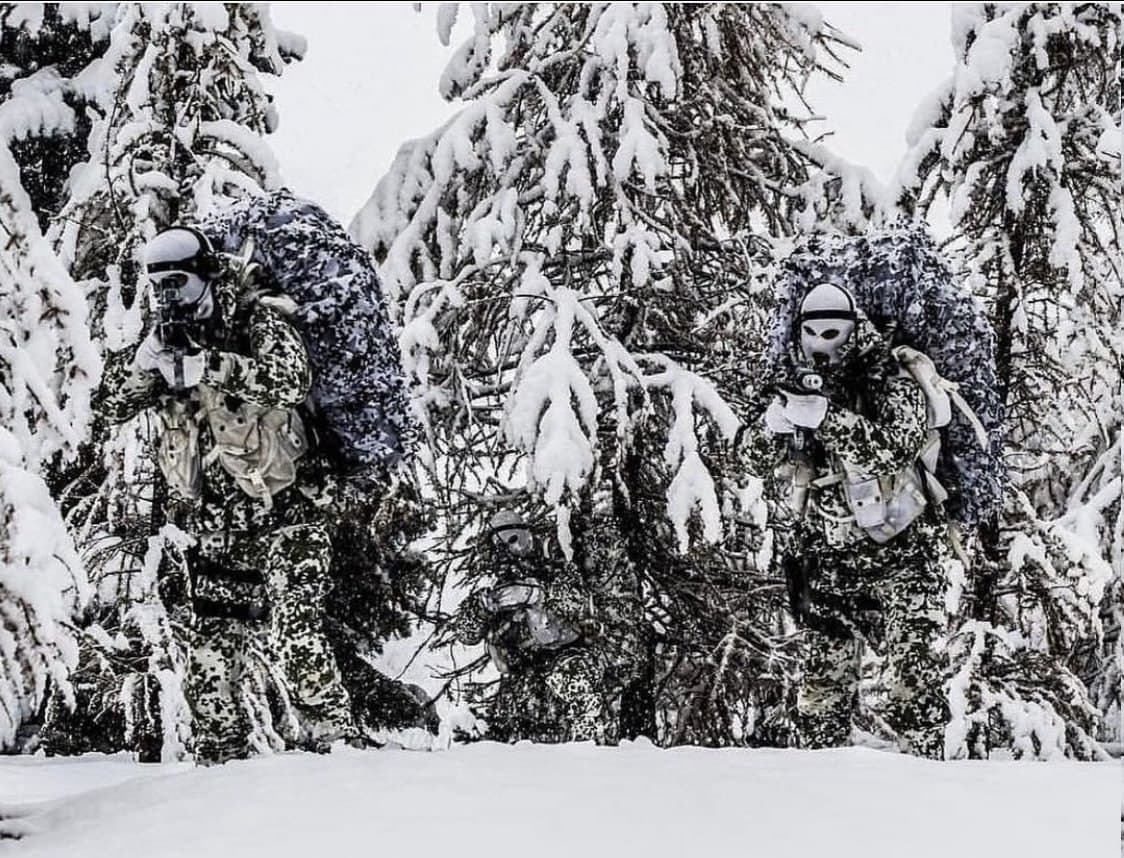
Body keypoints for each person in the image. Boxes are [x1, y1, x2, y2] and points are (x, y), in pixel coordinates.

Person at [99, 225, 357, 762]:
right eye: (159, 284)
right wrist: (145, 363)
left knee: (295, 630)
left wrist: (210, 367)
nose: (170, 295)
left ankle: (338, 746)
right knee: (211, 643)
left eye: (179, 281)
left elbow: (290, 380)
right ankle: (221, 759)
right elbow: (108, 408)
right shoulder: (165, 340)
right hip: (215, 521)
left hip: (288, 507)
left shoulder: (255, 321)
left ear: (207, 276)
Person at [737, 281, 951, 759]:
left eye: (831, 332)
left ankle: (929, 789)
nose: (820, 344)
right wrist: (772, 425)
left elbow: (892, 446)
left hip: (903, 555)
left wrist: (827, 418)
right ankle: (824, 796)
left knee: (912, 687)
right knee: (820, 696)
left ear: (853, 330)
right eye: (811, 332)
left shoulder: (889, 379)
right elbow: (743, 459)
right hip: (827, 561)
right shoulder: (790, 381)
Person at [451, 511, 615, 744]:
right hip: (520, 676)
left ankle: (590, 759)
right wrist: (483, 608)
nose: (512, 549)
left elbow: (580, 601)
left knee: (583, 714)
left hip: (565, 658)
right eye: (501, 544)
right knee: (510, 744)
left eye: (515, 538)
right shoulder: (495, 585)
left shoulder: (557, 564)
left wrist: (535, 594)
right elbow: (466, 633)